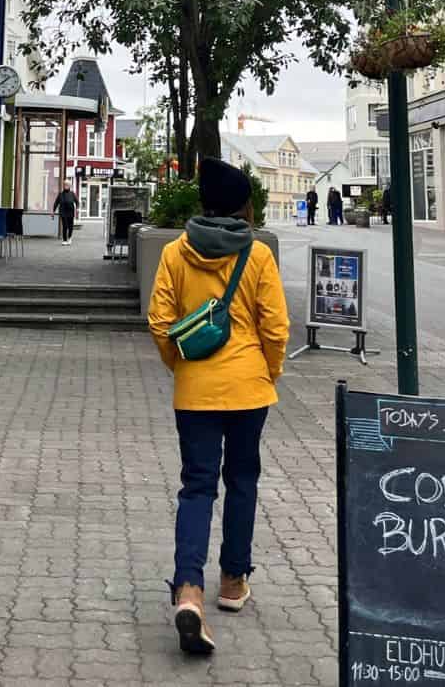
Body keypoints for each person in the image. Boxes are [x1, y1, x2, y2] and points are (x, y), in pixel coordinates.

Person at [148, 157, 290, 657]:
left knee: (197, 486)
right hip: (250, 388)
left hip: (196, 390)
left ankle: (189, 589)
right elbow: (275, 327)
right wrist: (268, 371)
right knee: (243, 481)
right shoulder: (258, 255)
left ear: (204, 202)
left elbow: (160, 320)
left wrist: (182, 365)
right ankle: (233, 582)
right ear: (244, 205)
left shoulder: (175, 252)